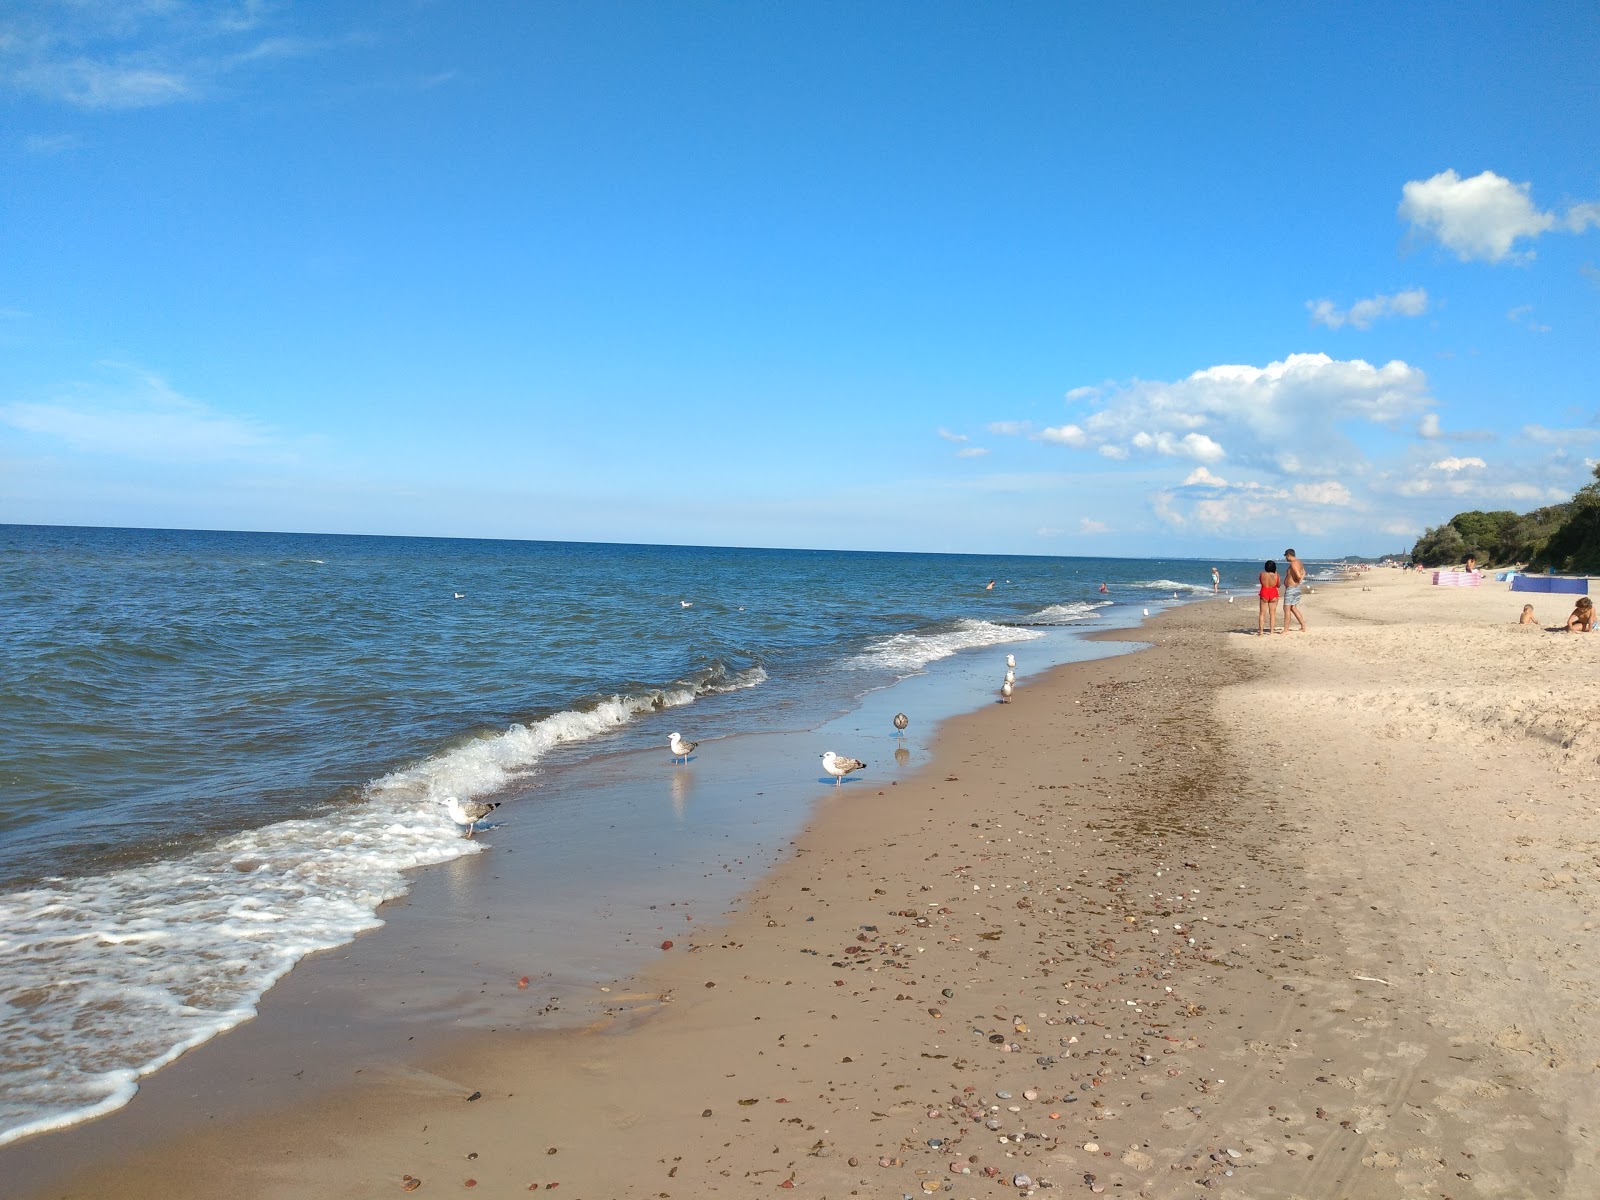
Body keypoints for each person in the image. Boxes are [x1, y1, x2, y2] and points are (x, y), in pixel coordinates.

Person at [1279, 548, 1307, 633]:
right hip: (1296, 588)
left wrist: (1299, 579)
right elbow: (1304, 572)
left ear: (1289, 555)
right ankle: (1303, 626)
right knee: (1293, 608)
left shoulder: (1293, 564)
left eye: (1286, 556)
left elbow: (1299, 575)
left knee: (1286, 608)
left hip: (1292, 589)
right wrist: (1299, 580)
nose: (1286, 558)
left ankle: (1286, 629)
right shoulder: (1299, 562)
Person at [1257, 559, 1280, 636]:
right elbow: (1278, 585)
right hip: (1273, 592)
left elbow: (1261, 582)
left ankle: (1261, 631)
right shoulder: (1276, 575)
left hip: (1264, 591)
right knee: (1272, 613)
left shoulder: (1262, 574)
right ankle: (1272, 632)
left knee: (1262, 613)